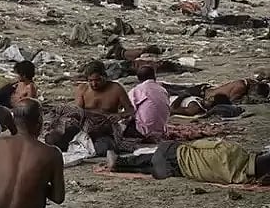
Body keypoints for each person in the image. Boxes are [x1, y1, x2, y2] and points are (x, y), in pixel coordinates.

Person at [106, 139, 270, 185]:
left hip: (169, 154)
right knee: (151, 168)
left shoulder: (232, 149)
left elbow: (196, 145)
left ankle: (120, 161)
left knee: (168, 152)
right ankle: (125, 167)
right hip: (168, 174)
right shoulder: (238, 178)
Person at [127, 66, 170, 140]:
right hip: (162, 129)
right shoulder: (162, 90)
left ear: (139, 79)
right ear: (154, 76)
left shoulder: (136, 90)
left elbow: (129, 111)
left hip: (144, 131)